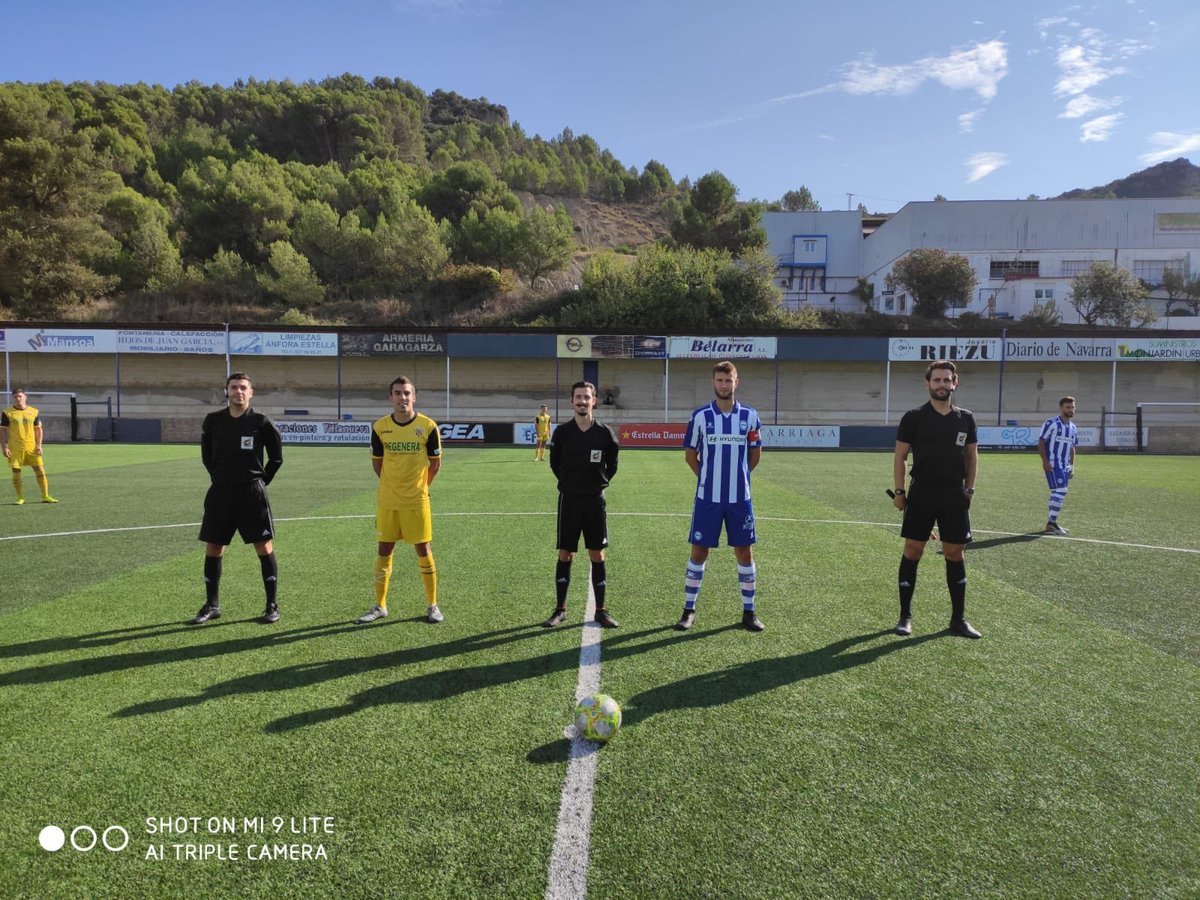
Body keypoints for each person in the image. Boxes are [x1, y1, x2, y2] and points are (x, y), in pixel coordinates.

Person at [891, 360, 981, 639]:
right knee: (913, 551)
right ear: (927, 384)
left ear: (955, 383)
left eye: (947, 380)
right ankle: (905, 617)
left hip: (954, 494)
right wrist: (899, 492)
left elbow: (971, 456)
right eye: (937, 380)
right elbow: (900, 456)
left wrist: (969, 489)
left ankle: (958, 620)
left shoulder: (965, 418)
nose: (942, 385)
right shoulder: (913, 417)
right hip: (922, 493)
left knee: (955, 553)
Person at [676, 361, 764, 633]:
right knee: (699, 551)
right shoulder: (700, 416)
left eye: (729, 380)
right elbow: (691, 455)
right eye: (720, 380)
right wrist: (708, 479)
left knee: (744, 552)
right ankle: (689, 610)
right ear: (713, 383)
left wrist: (738, 477)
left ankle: (749, 612)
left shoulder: (750, 416)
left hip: (740, 499)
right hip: (708, 499)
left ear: (736, 382)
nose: (724, 385)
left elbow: (755, 454)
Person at [191, 373, 284, 625]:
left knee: (263, 547)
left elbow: (276, 458)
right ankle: (212, 605)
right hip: (220, 492)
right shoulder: (213, 421)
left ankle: (272, 606)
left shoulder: (262, 422)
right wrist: (220, 477)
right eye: (234, 387)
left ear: (251, 392)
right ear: (226, 391)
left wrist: (260, 482)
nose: (238, 392)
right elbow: (206, 457)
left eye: (243, 388)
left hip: (251, 494)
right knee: (214, 546)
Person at [356, 376, 443, 625]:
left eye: (407, 393)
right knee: (384, 549)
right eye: (397, 393)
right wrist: (391, 485)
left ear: (414, 397)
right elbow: (377, 463)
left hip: (417, 501)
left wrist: (420, 488)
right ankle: (380, 606)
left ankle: (432, 605)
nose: (402, 398)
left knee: (423, 549)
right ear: (390, 397)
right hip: (388, 501)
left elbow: (435, 464)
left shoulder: (428, 426)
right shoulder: (380, 427)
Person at [541, 381, 620, 629]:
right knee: (566, 553)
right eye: (578, 397)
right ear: (571, 401)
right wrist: (570, 483)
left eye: (587, 397)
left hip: (595, 501)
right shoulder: (563, 433)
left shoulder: (605, 433)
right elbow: (555, 464)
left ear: (594, 400)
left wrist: (598, 482)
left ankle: (601, 610)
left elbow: (613, 465)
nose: (582, 401)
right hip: (569, 500)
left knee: (597, 553)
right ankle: (560, 610)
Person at [1, 388, 57, 505]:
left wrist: (39, 445)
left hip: (31, 447)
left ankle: (45, 496)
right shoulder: (7, 413)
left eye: (20, 396)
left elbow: (38, 430)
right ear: (13, 398)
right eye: (16, 397)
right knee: (16, 471)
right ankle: (20, 497)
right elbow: (3, 431)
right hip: (15, 448)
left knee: (40, 470)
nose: (18, 399)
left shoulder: (34, 411)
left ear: (25, 397)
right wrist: (4, 447)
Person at [1039, 396, 1078, 535]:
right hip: (1053, 463)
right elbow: (1041, 442)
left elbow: (1072, 447)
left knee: (1057, 492)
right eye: (1068, 407)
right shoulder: (1052, 423)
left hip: (1064, 465)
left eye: (1073, 407)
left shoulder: (1073, 427)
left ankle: (1051, 523)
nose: (1071, 410)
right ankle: (1052, 523)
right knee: (1061, 491)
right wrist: (1045, 461)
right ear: (1061, 408)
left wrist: (1072, 465)